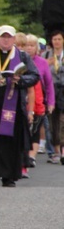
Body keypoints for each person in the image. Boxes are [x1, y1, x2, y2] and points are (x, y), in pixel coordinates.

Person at [0, 25, 39, 187]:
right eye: (2, 37)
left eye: (8, 37)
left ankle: (9, 176)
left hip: (14, 106)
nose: (5, 39)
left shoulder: (22, 57)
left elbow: (34, 76)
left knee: (10, 141)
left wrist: (21, 81)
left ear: (13, 39)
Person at [25, 33, 54, 169]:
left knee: (36, 129)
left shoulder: (42, 63)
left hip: (39, 101)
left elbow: (48, 84)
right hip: (22, 101)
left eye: (32, 45)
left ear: (36, 48)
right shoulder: (20, 61)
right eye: (26, 45)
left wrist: (51, 102)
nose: (29, 48)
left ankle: (32, 156)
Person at [48, 30, 64, 163]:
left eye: (59, 39)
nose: (57, 42)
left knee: (63, 121)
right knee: (53, 121)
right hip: (52, 89)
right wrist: (48, 64)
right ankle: (56, 150)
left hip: (63, 89)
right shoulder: (46, 55)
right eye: (54, 39)